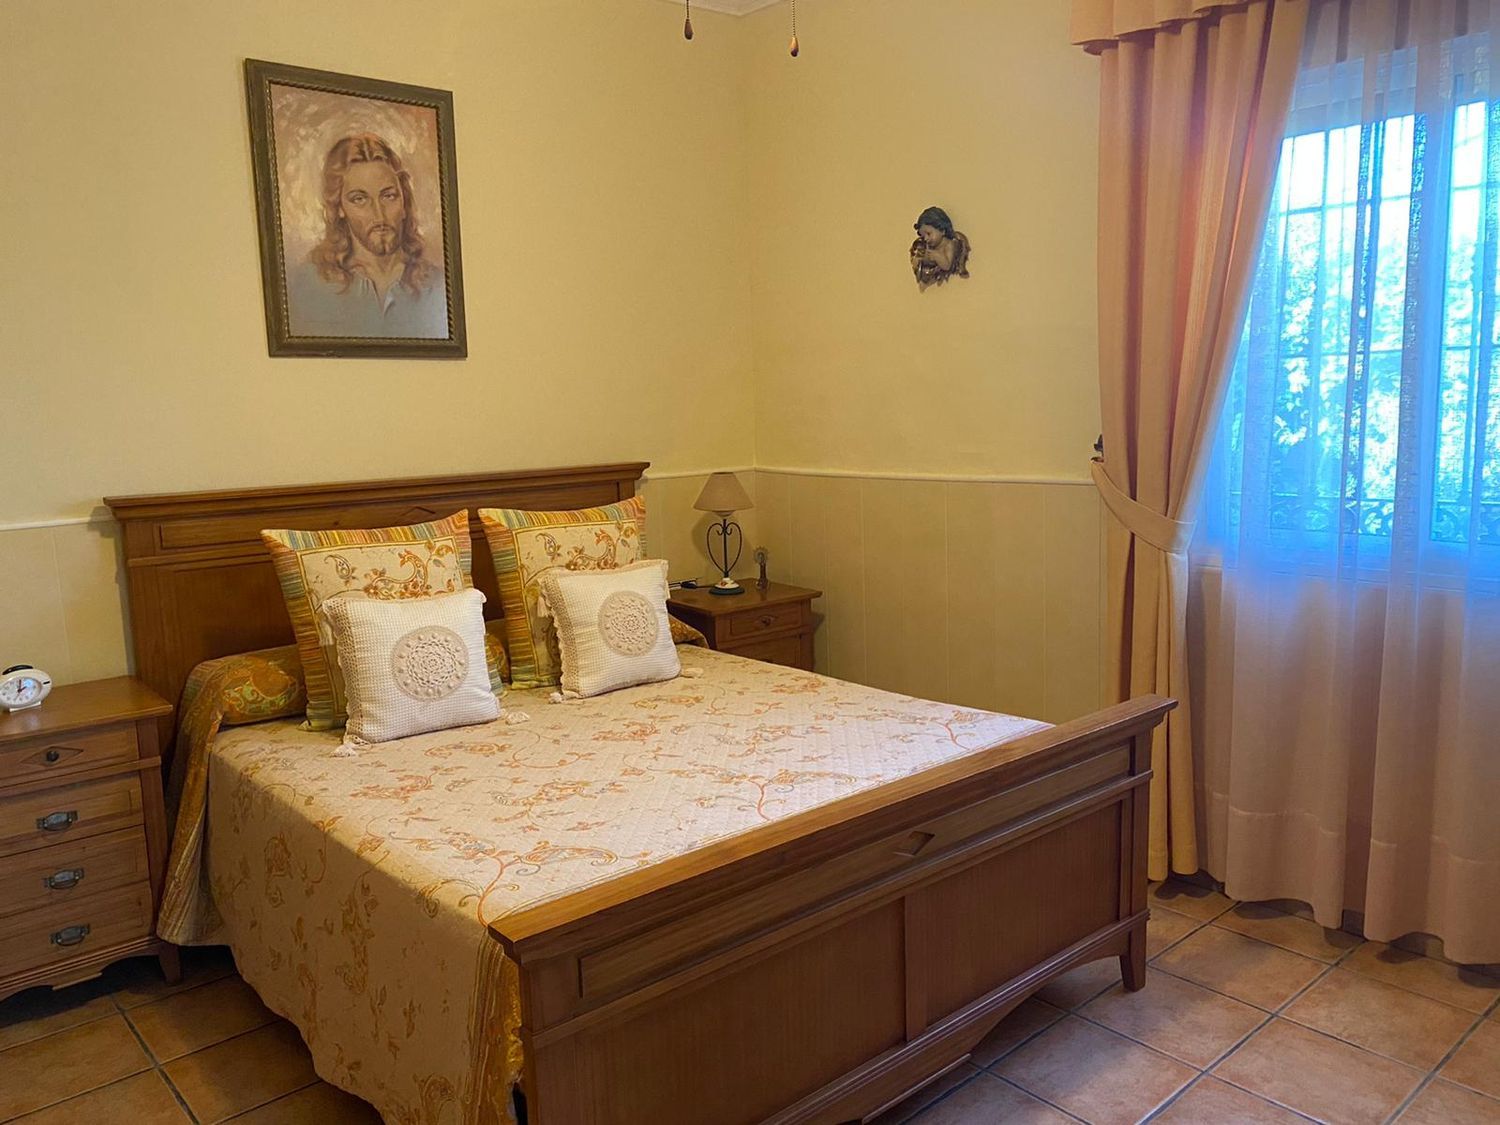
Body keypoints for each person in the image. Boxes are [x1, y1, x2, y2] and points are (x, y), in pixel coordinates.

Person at [286, 133, 449, 339]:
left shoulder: (436, 285)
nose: (379, 214)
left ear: (404, 203)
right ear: (340, 208)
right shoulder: (310, 284)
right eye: (360, 199)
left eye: (388, 196)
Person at [910, 206, 971, 291]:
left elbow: (947, 265)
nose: (926, 239)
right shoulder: (929, 246)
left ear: (942, 230)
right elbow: (926, 259)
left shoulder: (949, 244)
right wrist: (920, 260)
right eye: (923, 236)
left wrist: (936, 256)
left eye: (929, 234)